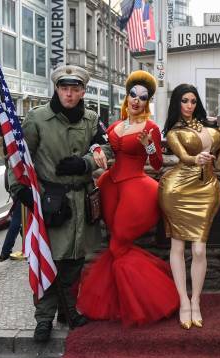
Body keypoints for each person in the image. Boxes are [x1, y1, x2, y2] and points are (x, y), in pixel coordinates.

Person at [9, 64, 112, 342]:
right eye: (64, 88)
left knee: (76, 262)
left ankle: (68, 312)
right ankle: (43, 320)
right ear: (57, 89)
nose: (69, 93)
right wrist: (21, 191)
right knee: (49, 261)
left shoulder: (91, 118)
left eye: (75, 89)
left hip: (81, 200)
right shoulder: (37, 118)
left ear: (82, 91)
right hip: (50, 201)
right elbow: (19, 156)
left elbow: (107, 148)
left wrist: (86, 162)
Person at [76, 70, 180, 327]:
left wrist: (150, 146)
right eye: (133, 94)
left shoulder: (152, 128)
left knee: (119, 244)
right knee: (115, 244)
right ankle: (118, 302)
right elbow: (98, 143)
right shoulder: (114, 125)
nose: (136, 100)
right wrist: (97, 148)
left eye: (142, 97)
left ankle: (151, 298)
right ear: (127, 96)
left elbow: (156, 165)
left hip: (137, 190)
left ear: (147, 102)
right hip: (110, 186)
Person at [159, 84, 220, 329]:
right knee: (177, 245)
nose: (189, 105)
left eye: (193, 101)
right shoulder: (174, 131)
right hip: (178, 189)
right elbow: (184, 158)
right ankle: (184, 302)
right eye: (184, 101)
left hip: (206, 188)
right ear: (177, 103)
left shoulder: (211, 128)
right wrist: (196, 158)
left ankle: (196, 300)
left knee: (199, 250)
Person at [0, 118, 22, 262]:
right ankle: (6, 250)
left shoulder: (3, 139)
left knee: (22, 215)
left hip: (11, 179)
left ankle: (26, 245)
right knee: (18, 216)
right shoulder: (8, 140)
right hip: (15, 179)